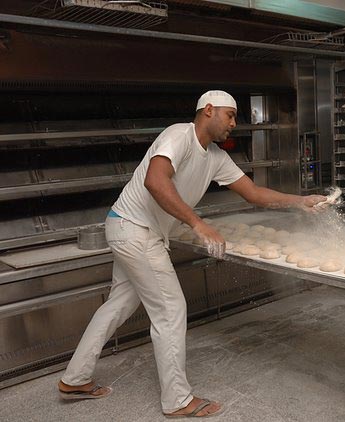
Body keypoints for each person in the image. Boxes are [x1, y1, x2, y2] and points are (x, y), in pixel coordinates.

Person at [56, 90, 326, 418]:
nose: (234, 123)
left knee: (118, 305)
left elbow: (253, 193)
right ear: (208, 110)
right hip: (135, 230)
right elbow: (155, 181)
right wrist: (198, 224)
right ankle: (177, 400)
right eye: (229, 115)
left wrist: (300, 201)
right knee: (171, 310)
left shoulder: (215, 157)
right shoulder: (178, 136)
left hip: (129, 228)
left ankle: (75, 379)